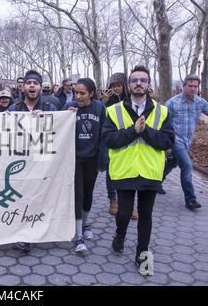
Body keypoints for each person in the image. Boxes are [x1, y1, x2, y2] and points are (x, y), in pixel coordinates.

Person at [102, 65, 174, 271]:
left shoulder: (162, 111)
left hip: (150, 172)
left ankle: (142, 255)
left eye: (143, 80)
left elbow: (168, 141)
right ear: (129, 85)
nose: (139, 83)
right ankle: (120, 235)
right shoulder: (113, 111)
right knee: (123, 213)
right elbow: (109, 140)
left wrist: (146, 131)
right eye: (135, 80)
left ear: (149, 85)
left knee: (145, 215)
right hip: (124, 171)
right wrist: (133, 131)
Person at [7, 70, 57, 253]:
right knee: (20, 197)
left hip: (41, 161)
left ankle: (35, 230)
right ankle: (21, 235)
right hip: (20, 161)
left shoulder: (50, 109)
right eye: (28, 83)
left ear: (40, 87)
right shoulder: (14, 109)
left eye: (35, 83)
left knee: (36, 197)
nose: (32, 86)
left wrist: (67, 116)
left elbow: (59, 130)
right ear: (23, 87)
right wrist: (5, 120)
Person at [63, 78, 108, 253]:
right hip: (75, 158)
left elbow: (105, 134)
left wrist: (103, 160)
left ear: (91, 93)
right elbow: (60, 126)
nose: (78, 96)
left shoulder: (100, 108)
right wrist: (67, 115)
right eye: (76, 93)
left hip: (92, 158)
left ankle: (85, 222)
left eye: (82, 93)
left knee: (88, 193)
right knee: (78, 194)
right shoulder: (71, 106)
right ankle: (78, 235)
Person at [163, 74, 208, 210]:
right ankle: (191, 199)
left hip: (187, 141)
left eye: (195, 86)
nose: (193, 89)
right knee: (187, 166)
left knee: (173, 163)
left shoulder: (200, 102)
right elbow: (162, 122)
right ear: (184, 86)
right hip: (175, 140)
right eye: (190, 86)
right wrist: (165, 143)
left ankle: (157, 180)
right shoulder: (172, 103)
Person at [101, 73, 137, 219]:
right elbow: (100, 115)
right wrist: (103, 101)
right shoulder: (107, 100)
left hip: (127, 139)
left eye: (118, 85)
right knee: (111, 170)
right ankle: (112, 201)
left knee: (129, 171)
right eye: (113, 86)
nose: (116, 89)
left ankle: (128, 205)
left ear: (124, 86)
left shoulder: (130, 100)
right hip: (110, 140)